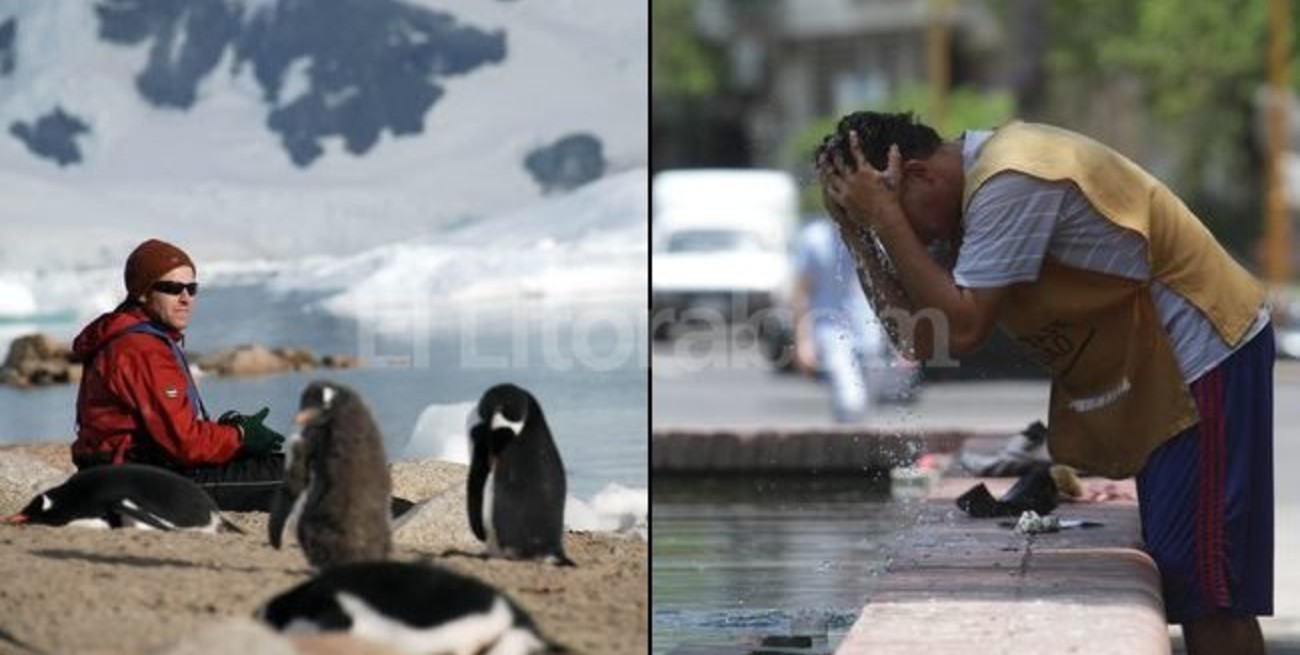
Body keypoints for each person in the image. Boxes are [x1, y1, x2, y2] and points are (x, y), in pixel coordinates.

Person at [815, 112, 1272, 655]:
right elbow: (920, 339)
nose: (911, 235)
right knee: (1187, 579)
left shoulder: (1012, 178)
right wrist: (861, 234)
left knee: (1210, 596)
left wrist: (887, 220)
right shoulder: (971, 199)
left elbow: (963, 329)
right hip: (1163, 371)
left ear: (916, 174)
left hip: (1206, 356)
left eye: (890, 210)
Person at [70, 238, 287, 512]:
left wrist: (229, 434)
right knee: (303, 473)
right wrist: (241, 435)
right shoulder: (142, 349)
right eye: (172, 288)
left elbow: (174, 434)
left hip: (125, 473)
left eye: (191, 288)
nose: (185, 298)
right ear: (143, 292)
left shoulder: (136, 338)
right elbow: (185, 443)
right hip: (139, 482)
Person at [791, 216, 890, 422]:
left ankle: (853, 438)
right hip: (830, 330)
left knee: (866, 403)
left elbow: (886, 289)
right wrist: (803, 341)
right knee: (849, 400)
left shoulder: (869, 236)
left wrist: (900, 339)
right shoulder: (815, 239)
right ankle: (849, 434)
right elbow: (802, 292)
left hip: (867, 330)